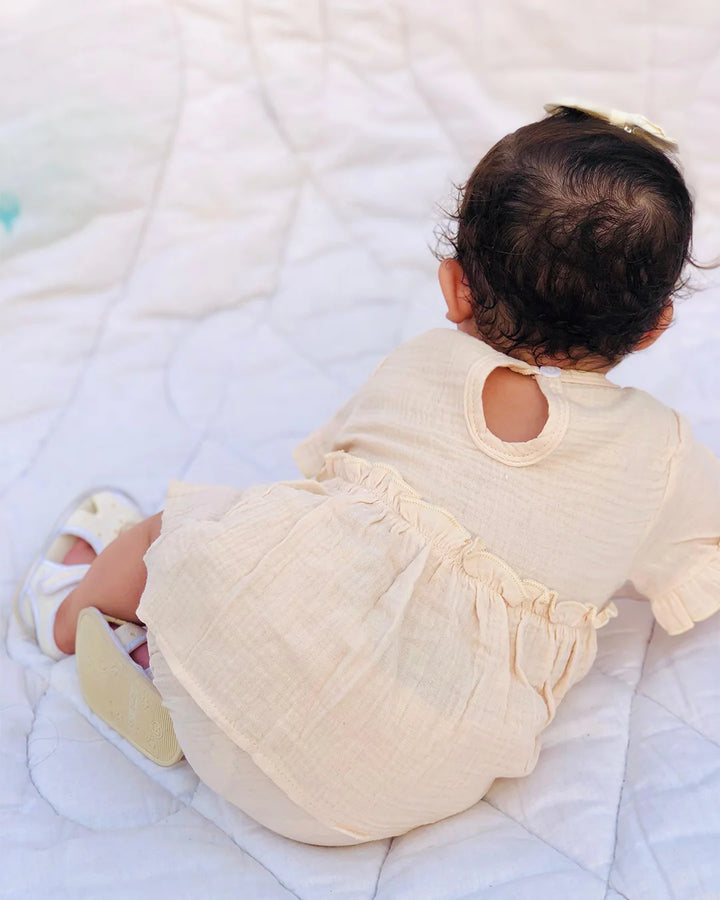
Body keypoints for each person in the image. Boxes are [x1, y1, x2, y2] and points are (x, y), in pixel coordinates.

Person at [15, 101, 720, 846]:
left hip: (238, 670)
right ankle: (197, 686)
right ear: (653, 328)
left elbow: (326, 484)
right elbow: (699, 553)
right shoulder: (665, 453)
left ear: (456, 287)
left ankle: (75, 617)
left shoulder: (426, 363)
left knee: (182, 531)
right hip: (387, 794)